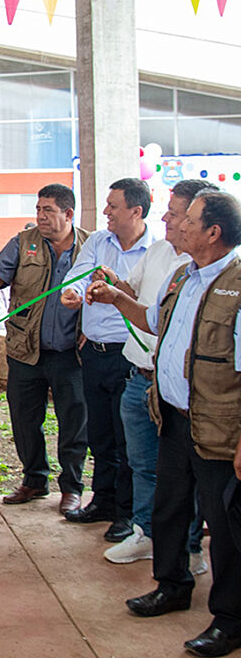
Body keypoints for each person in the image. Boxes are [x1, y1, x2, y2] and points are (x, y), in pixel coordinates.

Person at [85, 189, 241, 658]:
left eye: (187, 219)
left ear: (213, 233)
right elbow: (154, 321)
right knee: (169, 508)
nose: (176, 224)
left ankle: (230, 620)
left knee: (226, 528)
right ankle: (171, 586)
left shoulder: (237, 286)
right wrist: (115, 297)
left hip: (218, 431)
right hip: (173, 416)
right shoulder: (183, 276)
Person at [98, 180, 215, 565]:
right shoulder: (167, 257)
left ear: (207, 227)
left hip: (188, 397)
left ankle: (191, 548)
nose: (166, 219)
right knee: (146, 466)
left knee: (189, 478)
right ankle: (148, 535)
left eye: (177, 214)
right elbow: (145, 310)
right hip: (142, 381)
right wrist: (113, 290)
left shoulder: (210, 274)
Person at [0, 184, 89, 513]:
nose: (40, 216)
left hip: (70, 354)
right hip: (25, 350)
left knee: (73, 422)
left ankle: (72, 488)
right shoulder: (25, 243)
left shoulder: (90, 248)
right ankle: (34, 479)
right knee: (25, 420)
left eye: (47, 210)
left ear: (68, 214)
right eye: (38, 209)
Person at [60, 177, 154, 543]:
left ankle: (127, 513)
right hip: (94, 351)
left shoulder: (156, 251)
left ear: (136, 210)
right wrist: (71, 291)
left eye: (113, 206)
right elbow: (78, 275)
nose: (105, 213)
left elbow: (147, 300)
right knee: (99, 433)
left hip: (129, 356)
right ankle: (103, 500)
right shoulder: (99, 241)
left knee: (126, 438)